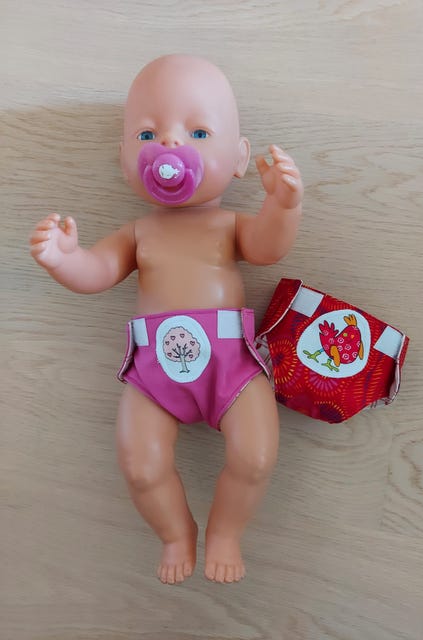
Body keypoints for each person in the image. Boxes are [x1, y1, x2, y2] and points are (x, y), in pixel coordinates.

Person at [30, 54, 303, 584]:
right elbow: (98, 271)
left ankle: (226, 531)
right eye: (147, 134)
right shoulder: (139, 234)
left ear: (240, 157)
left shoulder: (229, 226)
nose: (171, 143)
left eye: (198, 132)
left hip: (230, 365)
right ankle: (176, 533)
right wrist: (64, 259)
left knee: (255, 456)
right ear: (125, 158)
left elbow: (267, 248)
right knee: (140, 465)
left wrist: (283, 206)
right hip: (155, 373)